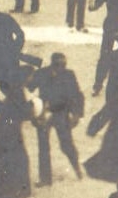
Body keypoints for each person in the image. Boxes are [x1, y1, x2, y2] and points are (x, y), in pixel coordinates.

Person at [31, 54, 84, 185]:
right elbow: (29, 89)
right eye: (58, 65)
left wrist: (77, 114)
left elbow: (78, 95)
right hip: (44, 113)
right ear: (52, 64)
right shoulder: (41, 73)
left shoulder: (69, 74)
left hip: (61, 113)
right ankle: (45, 179)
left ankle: (77, 169)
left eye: (63, 65)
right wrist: (34, 111)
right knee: (43, 147)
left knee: (66, 144)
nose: (61, 68)